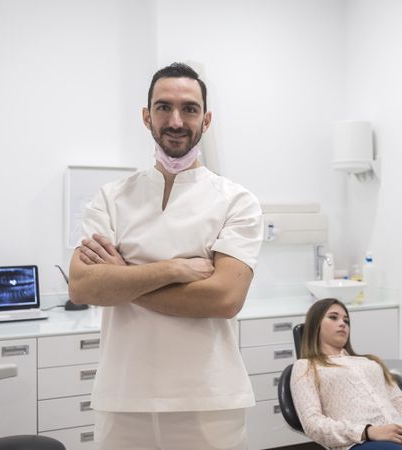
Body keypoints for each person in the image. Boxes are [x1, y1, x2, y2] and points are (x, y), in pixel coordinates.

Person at [68, 62, 263, 450]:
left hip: (209, 400)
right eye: (163, 107)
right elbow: (82, 286)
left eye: (189, 108)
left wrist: (122, 279)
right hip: (123, 398)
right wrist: (173, 269)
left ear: (206, 120)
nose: (176, 120)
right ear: (146, 116)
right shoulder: (110, 198)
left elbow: (224, 299)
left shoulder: (236, 201)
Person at [290, 298, 402, 450]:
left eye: (346, 321)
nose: (342, 323)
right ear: (315, 325)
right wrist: (367, 432)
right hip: (360, 442)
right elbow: (312, 423)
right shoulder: (305, 367)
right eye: (333, 317)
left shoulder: (370, 362)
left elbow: (399, 401)